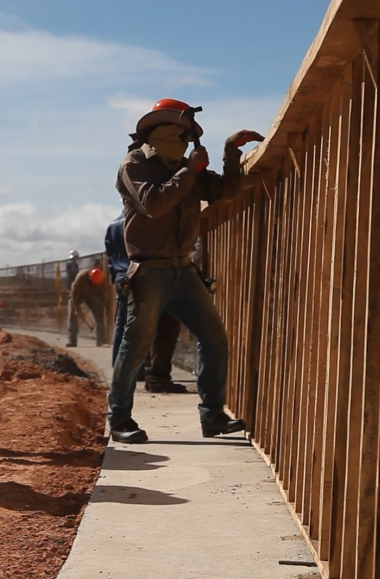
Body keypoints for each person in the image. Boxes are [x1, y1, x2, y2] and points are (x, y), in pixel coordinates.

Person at [109, 98, 263, 443]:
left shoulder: (185, 165)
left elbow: (224, 190)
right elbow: (154, 203)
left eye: (186, 135)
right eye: (178, 133)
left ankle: (213, 417)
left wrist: (229, 153)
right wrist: (188, 172)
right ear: (158, 132)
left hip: (183, 269)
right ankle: (119, 420)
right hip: (149, 271)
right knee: (136, 347)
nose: (182, 140)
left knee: (214, 339)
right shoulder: (135, 164)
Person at [105, 214, 187, 393]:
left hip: (121, 276)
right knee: (149, 326)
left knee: (124, 324)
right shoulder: (139, 220)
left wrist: (116, 277)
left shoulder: (113, 226)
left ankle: (120, 368)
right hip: (139, 273)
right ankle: (145, 370)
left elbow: (110, 256)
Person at [67, 265, 111, 348]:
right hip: (77, 295)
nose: (95, 286)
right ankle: (72, 340)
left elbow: (103, 295)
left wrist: (102, 305)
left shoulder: (101, 280)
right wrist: (77, 309)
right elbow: (74, 295)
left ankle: (101, 340)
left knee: (99, 317)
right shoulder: (80, 278)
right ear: (89, 278)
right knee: (72, 316)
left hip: (90, 296)